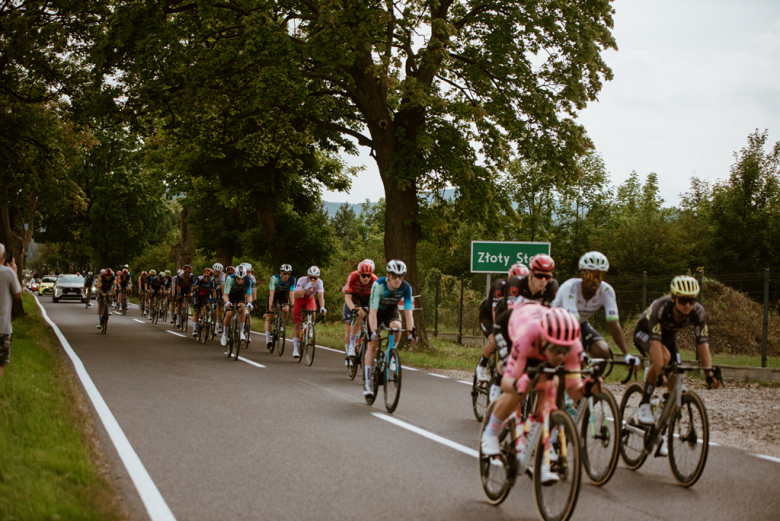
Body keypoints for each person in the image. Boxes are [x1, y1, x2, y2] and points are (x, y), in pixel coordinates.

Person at [481, 305, 601, 482]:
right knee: (519, 390)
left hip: (539, 342)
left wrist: (587, 389)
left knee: (551, 388)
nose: (561, 356)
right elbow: (506, 384)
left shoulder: (573, 346)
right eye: (556, 349)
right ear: (545, 340)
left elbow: (573, 391)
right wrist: (517, 382)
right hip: (510, 328)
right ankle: (491, 432)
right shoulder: (527, 337)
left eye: (564, 351)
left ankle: (542, 464)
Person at [633, 275, 721, 449]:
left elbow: (703, 344)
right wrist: (660, 372)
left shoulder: (698, 312)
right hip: (645, 333)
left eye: (692, 300)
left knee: (677, 388)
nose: (688, 305)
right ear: (673, 298)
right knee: (663, 360)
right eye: (683, 300)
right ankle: (644, 404)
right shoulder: (660, 308)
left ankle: (661, 434)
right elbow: (656, 346)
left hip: (668, 337)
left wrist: (709, 374)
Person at [551, 252, 638, 368]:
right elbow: (573, 324)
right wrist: (580, 353)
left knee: (603, 353)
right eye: (592, 276)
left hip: (580, 324)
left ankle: (591, 384)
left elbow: (614, 324)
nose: (596, 280)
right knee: (573, 361)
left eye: (600, 276)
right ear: (582, 275)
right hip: (556, 325)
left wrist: (627, 355)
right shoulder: (570, 287)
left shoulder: (607, 291)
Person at [363, 260, 417, 396]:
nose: (397, 279)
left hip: (390, 310)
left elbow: (408, 312)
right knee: (373, 346)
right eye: (394, 276)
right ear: (388, 275)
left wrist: (411, 332)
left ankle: (391, 353)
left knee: (397, 327)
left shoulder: (406, 287)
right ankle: (367, 384)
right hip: (376, 311)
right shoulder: (378, 285)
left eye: (401, 276)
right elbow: (373, 312)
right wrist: (374, 332)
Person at [476, 263, 528, 382]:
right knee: (494, 341)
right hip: (488, 316)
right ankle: (482, 364)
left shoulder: (526, 289)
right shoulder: (500, 285)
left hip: (506, 317)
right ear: (509, 278)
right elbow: (495, 312)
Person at [344, 260, 378, 362]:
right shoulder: (352, 276)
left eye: (369, 275)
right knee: (358, 314)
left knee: (371, 313)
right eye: (364, 276)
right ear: (359, 273)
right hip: (354, 296)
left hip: (367, 297)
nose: (367, 278)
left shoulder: (375, 280)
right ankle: (351, 345)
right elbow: (347, 297)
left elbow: (377, 298)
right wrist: (353, 309)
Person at [292, 266, 327, 359]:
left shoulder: (319, 283)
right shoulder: (301, 280)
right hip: (299, 300)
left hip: (309, 300)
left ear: (318, 278)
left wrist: (322, 307)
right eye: (310, 277)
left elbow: (320, 296)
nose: (312, 279)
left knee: (312, 311)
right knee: (297, 325)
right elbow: (295, 296)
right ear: (307, 276)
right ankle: (295, 349)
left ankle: (310, 325)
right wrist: (306, 288)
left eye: (314, 278)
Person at [0, 246, 23, 383]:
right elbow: (18, 294)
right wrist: (14, 272)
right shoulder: (8, 273)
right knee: (0, 362)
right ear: (4, 255)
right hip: (2, 327)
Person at [221, 264, 253, 346]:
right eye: (238, 278)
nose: (241, 281)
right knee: (229, 314)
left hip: (240, 294)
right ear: (235, 276)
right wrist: (227, 302)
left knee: (242, 309)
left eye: (242, 279)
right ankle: (224, 334)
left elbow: (249, 294)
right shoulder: (230, 278)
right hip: (230, 294)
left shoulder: (248, 279)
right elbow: (225, 294)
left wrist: (249, 302)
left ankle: (241, 331)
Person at [265, 264, 295, 349]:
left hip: (283, 295)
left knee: (286, 309)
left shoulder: (292, 279)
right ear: (280, 273)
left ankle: (281, 322)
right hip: (273, 295)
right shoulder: (274, 278)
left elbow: (291, 293)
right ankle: (268, 339)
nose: (286, 276)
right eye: (285, 273)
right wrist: (270, 305)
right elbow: (271, 293)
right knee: (269, 316)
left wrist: (293, 305)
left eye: (288, 274)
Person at [191, 268, 216, 337]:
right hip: (198, 295)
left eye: (207, 277)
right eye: (204, 276)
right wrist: (198, 285)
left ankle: (208, 316)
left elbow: (213, 290)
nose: (206, 278)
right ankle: (194, 330)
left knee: (208, 305)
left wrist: (215, 299)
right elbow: (193, 289)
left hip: (206, 295)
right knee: (196, 312)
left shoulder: (212, 280)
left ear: (210, 277)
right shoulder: (199, 279)